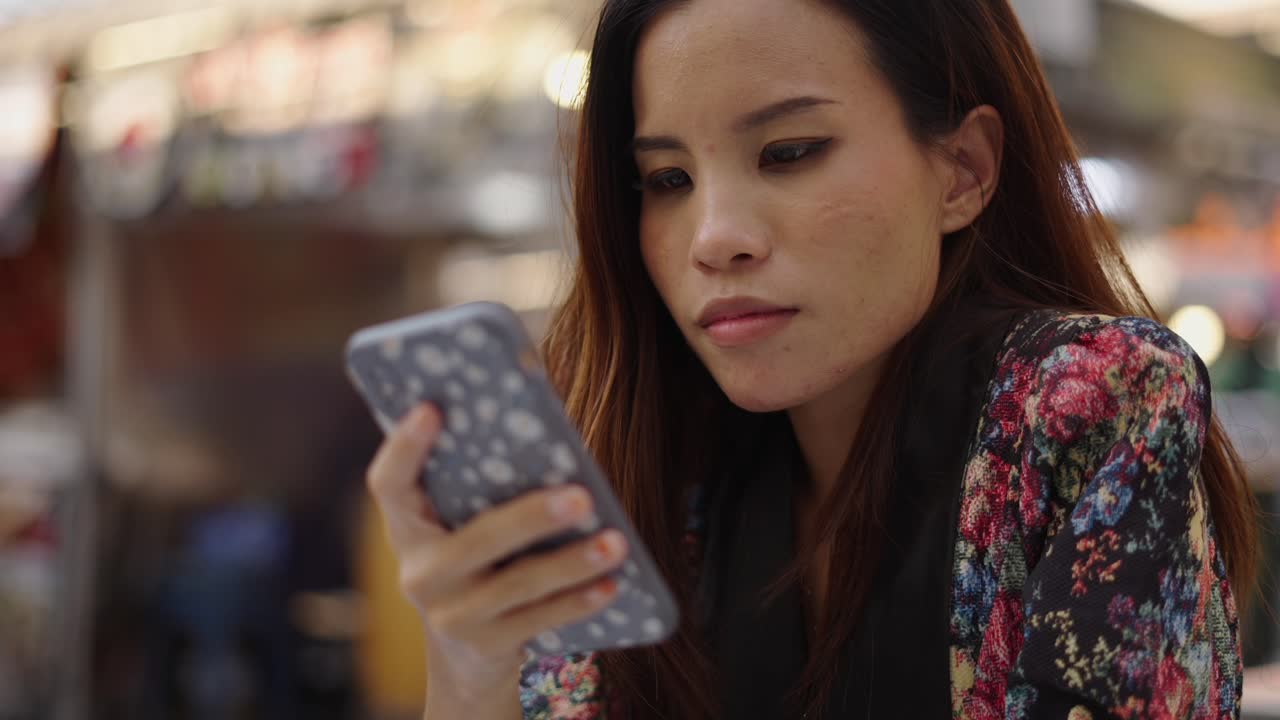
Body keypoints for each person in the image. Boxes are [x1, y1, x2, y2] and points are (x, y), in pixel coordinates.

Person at [364, 0, 1260, 717]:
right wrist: (472, 665)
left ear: (962, 170)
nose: (714, 238)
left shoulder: (1086, 398)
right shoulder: (652, 466)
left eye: (789, 152)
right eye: (667, 180)